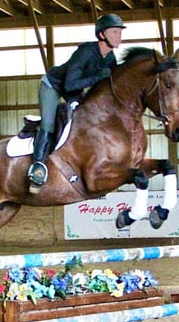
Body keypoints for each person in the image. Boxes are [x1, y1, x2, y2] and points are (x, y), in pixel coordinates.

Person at [27, 13, 126, 192]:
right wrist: (97, 77)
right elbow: (70, 84)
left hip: (75, 89)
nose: (119, 36)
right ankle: (38, 169)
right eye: (114, 32)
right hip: (54, 85)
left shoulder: (110, 59)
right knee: (48, 124)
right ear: (102, 35)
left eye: (119, 32)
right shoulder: (86, 52)